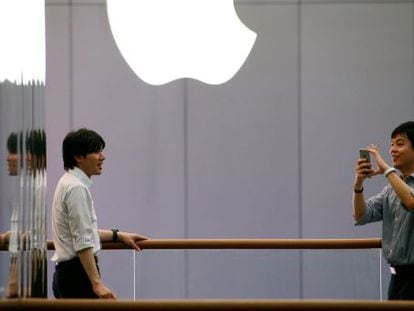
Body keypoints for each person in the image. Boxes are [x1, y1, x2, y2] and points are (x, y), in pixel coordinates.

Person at [51, 128, 148, 299]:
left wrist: (117, 235)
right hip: (77, 276)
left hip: (68, 275)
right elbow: (82, 239)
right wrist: (97, 283)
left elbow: (82, 232)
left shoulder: (67, 182)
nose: (102, 157)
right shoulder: (76, 188)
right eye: (96, 151)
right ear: (78, 156)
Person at [353, 120, 414, 300]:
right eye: (391, 145)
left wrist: (387, 169)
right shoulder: (391, 189)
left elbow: (410, 201)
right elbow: (361, 215)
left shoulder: (395, 185)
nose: (392, 150)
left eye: (400, 144)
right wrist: (358, 184)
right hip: (396, 278)